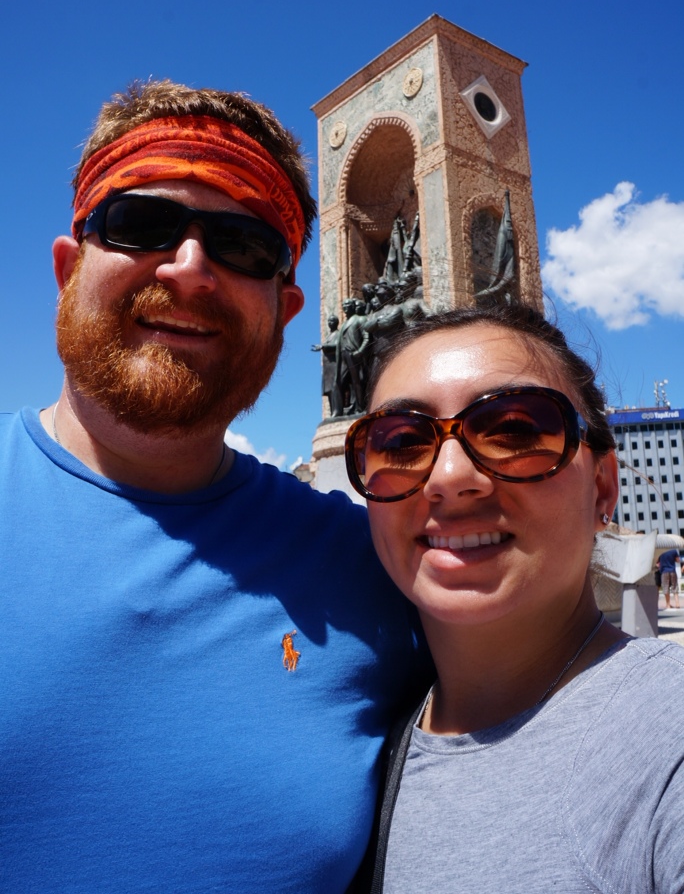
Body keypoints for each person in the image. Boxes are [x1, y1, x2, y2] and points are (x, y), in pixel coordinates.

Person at [0, 80, 430, 894]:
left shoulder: (375, 571)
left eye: (245, 246)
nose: (191, 268)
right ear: (67, 270)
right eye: (140, 224)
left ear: (286, 311)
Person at [345, 304, 684, 894]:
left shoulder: (667, 730)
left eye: (514, 429)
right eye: (399, 440)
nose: (449, 476)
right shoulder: (368, 742)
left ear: (603, 485)